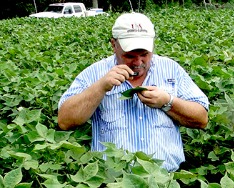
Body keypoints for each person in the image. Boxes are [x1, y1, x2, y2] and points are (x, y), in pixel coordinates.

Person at [58, 12, 209, 172]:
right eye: (129, 56)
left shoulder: (171, 70)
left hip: (165, 178)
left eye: (144, 55)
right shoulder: (95, 73)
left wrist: (168, 102)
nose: (138, 62)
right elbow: (65, 121)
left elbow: (201, 119)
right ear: (113, 45)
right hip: (113, 180)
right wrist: (100, 87)